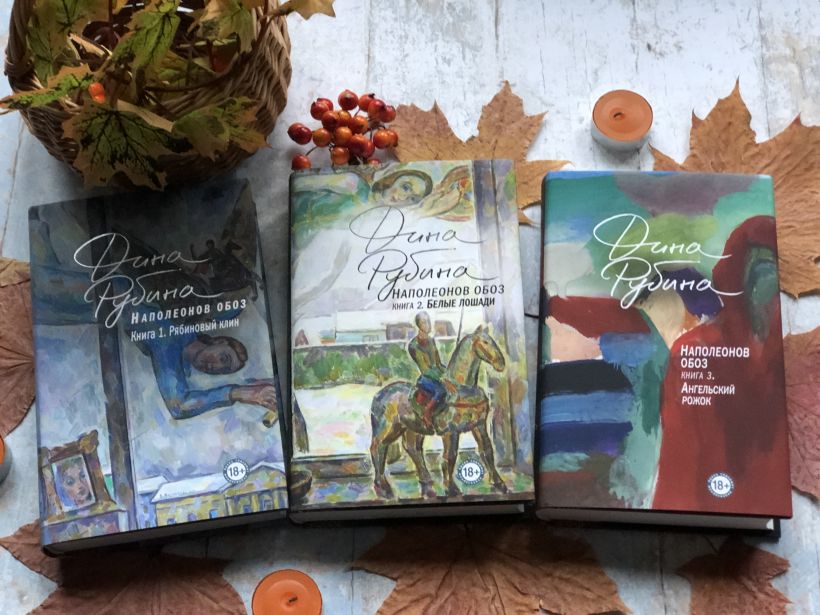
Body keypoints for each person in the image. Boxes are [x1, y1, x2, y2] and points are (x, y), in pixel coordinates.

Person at [408, 312, 455, 429]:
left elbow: (438, 364)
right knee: (441, 390)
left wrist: (448, 372)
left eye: (428, 321)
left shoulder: (431, 341)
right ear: (418, 325)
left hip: (437, 375)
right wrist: (441, 378)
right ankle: (427, 413)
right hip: (426, 378)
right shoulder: (414, 345)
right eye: (424, 322)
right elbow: (425, 369)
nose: (427, 325)